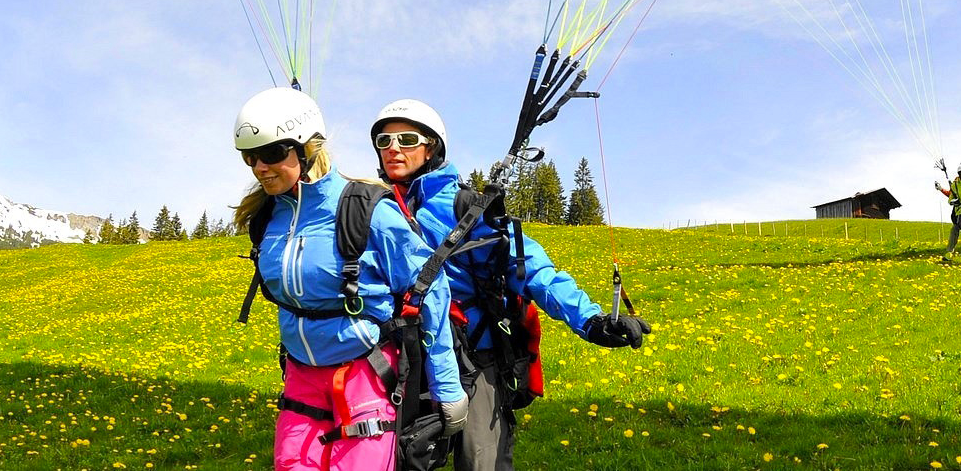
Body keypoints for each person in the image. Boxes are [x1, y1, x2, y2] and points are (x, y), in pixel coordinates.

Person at [369, 99, 652, 471]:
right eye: (384, 141)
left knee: (479, 461)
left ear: (431, 146)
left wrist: (591, 320)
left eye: (406, 139)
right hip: (402, 359)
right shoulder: (373, 205)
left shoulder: (462, 206)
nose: (393, 149)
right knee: (394, 460)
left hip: (473, 357)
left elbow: (529, 266)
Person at [232, 87, 468, 470]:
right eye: (250, 157)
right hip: (301, 379)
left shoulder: (365, 209)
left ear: (309, 148)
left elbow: (431, 287)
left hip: (365, 375)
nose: (260, 167)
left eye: (273, 153)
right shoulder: (267, 219)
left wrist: (445, 384)